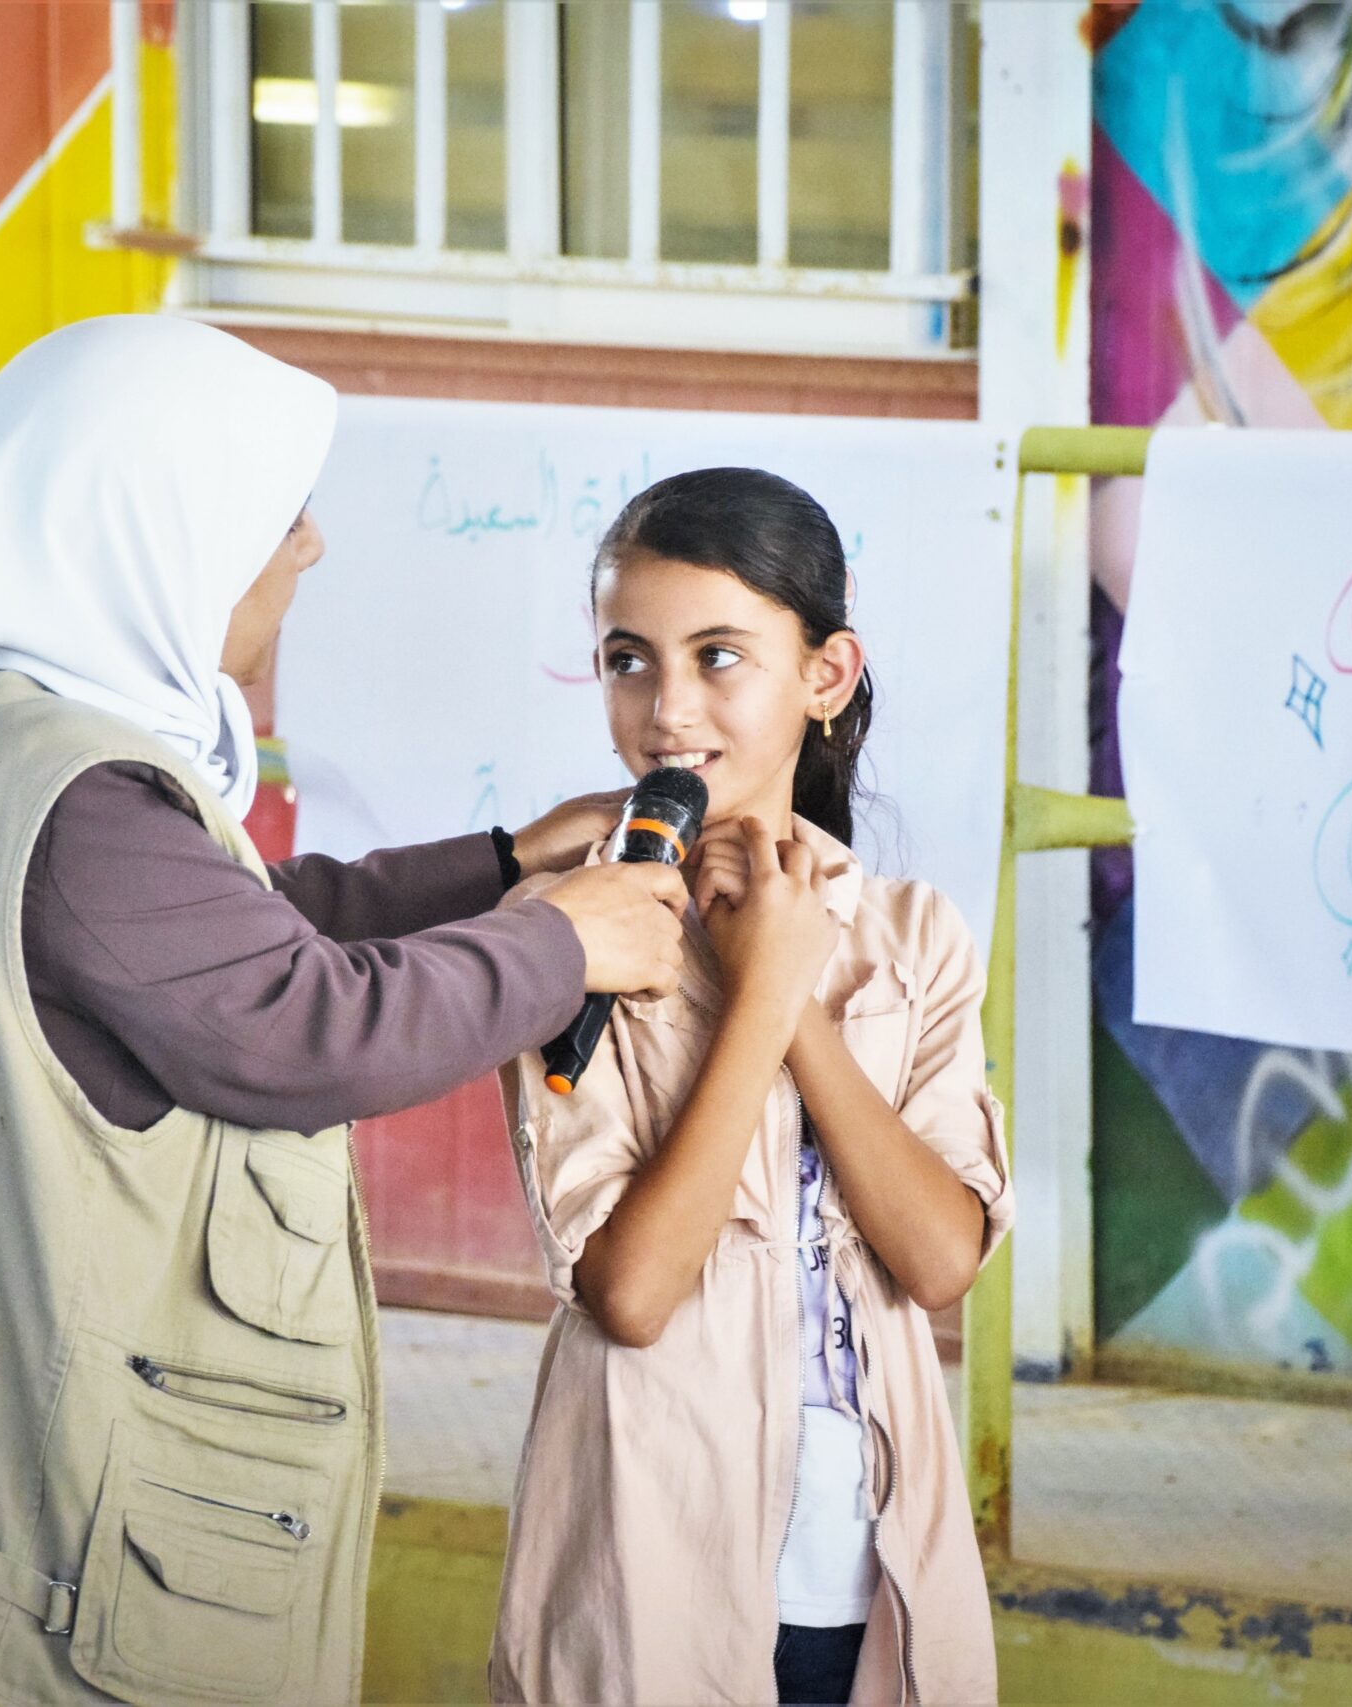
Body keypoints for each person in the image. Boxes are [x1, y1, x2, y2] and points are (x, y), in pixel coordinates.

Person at [0, 316, 687, 1706]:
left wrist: (498, 861)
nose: (311, 546)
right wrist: (556, 947)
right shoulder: (81, 795)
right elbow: (289, 1021)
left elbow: (219, 927)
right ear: (168, 530)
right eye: (280, 514)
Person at [491, 469, 1013, 1705]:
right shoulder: (559, 935)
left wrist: (787, 996)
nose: (666, 709)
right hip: (641, 1578)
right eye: (628, 660)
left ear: (823, 678)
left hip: (867, 1587)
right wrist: (760, 999)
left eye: (718, 656)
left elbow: (940, 1259)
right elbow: (629, 1289)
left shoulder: (912, 934)